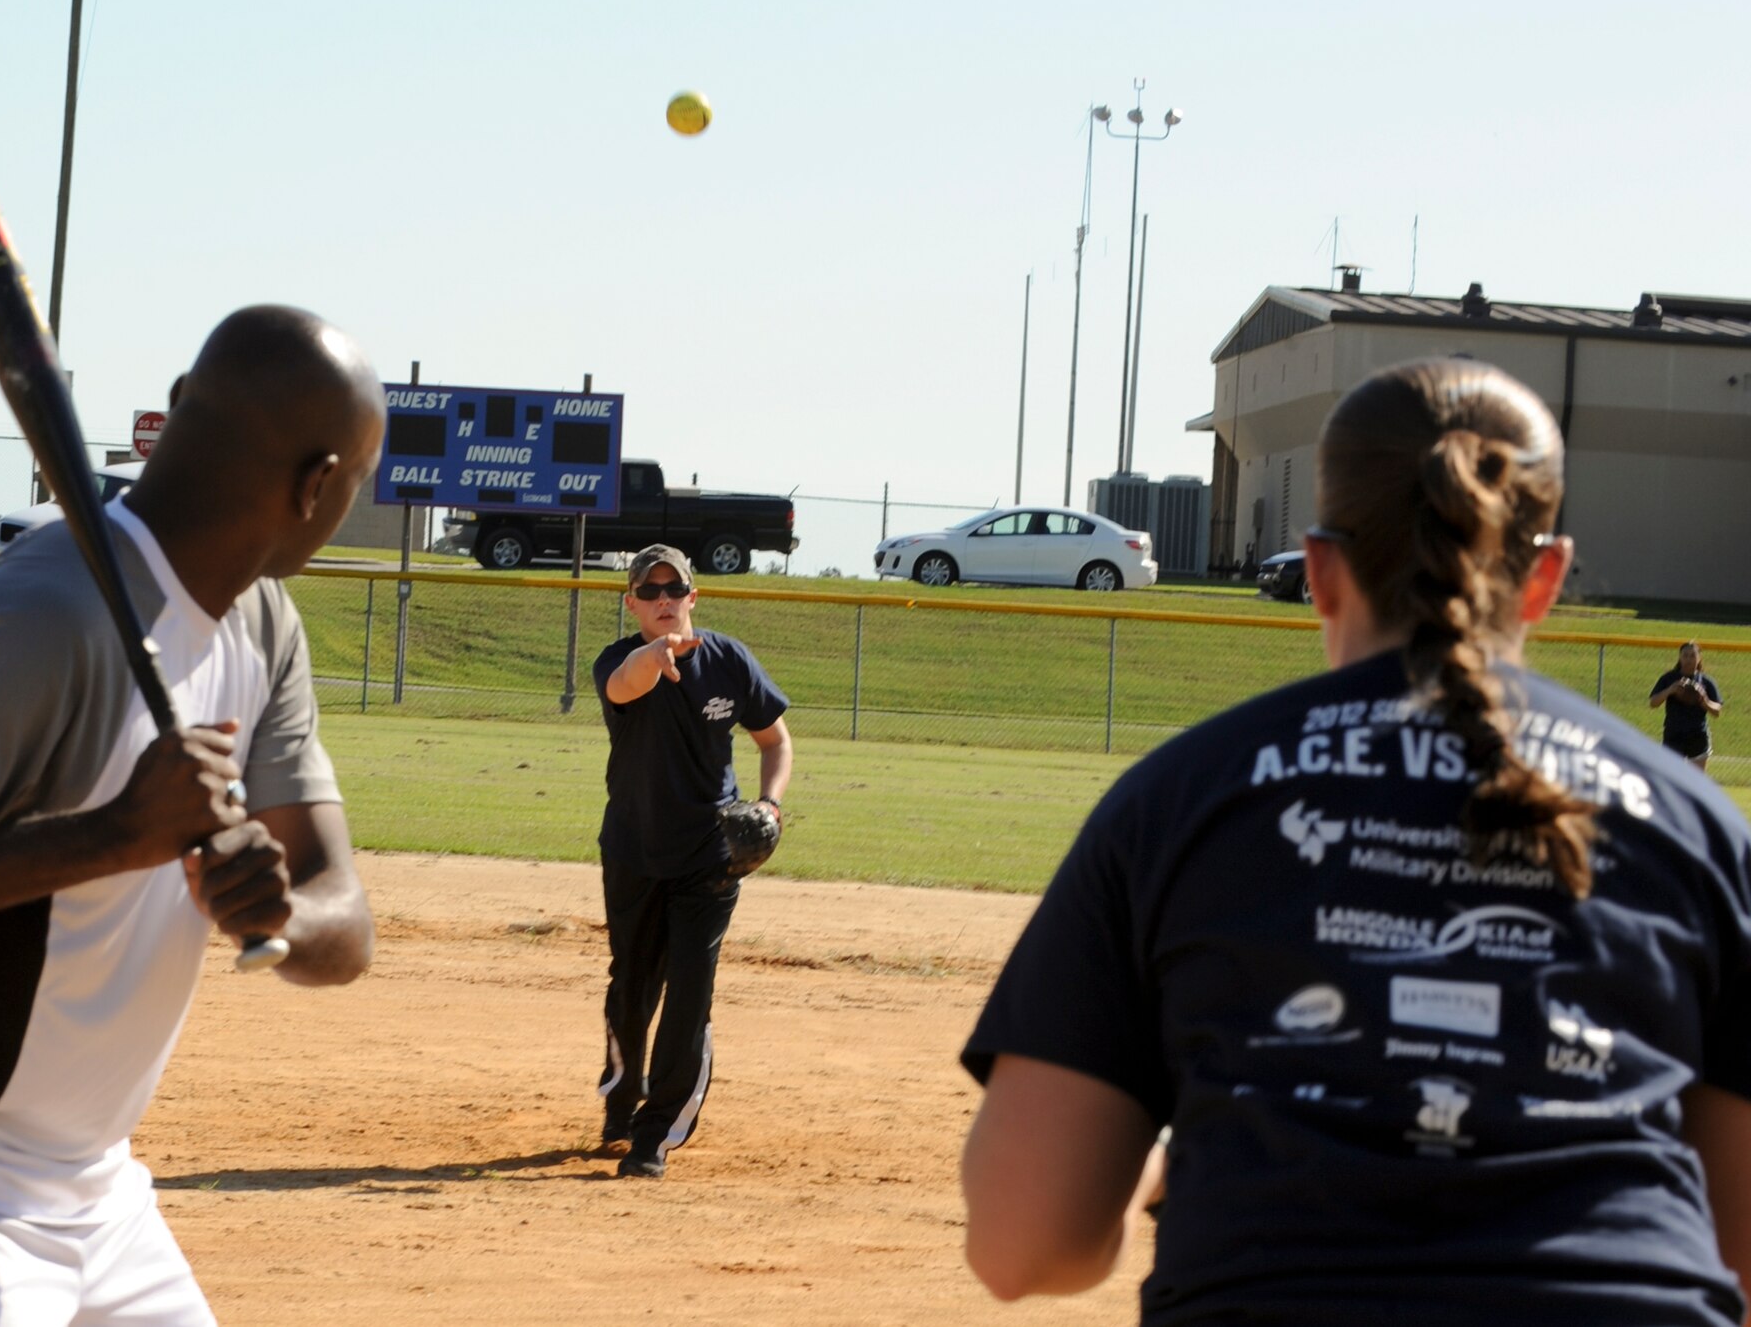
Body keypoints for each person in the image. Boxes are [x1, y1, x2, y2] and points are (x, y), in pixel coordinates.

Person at [960, 358, 1751, 1325]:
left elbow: (1023, 1241)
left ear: (1321, 571)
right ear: (1544, 577)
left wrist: (1175, 1153)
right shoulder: (1697, 826)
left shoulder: (1176, 800)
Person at [0, 305, 388, 1327]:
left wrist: (272, 908)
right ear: (319, 483)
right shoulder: (47, 611)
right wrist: (110, 838)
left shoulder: (262, 622)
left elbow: (339, 919)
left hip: (93, 1183)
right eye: (359, 480)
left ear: (176, 410)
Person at [591, 544, 792, 1179]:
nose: (661, 600)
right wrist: (654, 656)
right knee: (631, 987)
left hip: (710, 855)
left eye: (672, 588)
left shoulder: (729, 662)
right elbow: (628, 686)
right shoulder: (618, 661)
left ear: (692, 596)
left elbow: (775, 739)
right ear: (631, 604)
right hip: (633, 849)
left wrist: (772, 805)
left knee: (690, 994)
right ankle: (624, 1091)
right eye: (647, 592)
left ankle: (656, 1132)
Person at [1652, 641, 1723, 771]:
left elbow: (1717, 711)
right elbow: (1653, 703)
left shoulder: (1706, 681)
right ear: (1680, 657)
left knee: (1696, 780)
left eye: (1692, 656)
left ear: (1699, 658)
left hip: (1697, 735)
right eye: (1685, 655)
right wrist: (1670, 690)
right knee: (1671, 777)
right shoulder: (1669, 678)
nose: (1689, 659)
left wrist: (1704, 700)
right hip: (1673, 734)